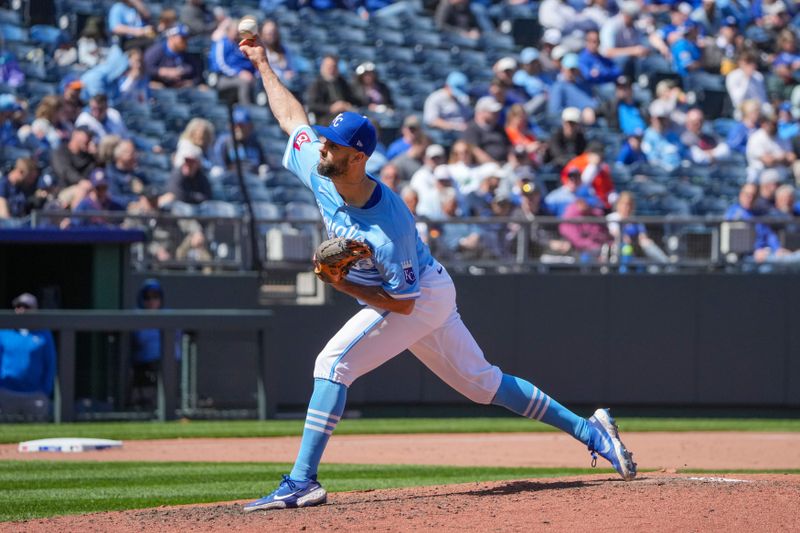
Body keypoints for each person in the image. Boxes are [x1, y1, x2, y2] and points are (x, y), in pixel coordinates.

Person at [238, 34, 636, 511]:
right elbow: (291, 118)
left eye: (333, 145)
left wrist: (341, 281)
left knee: (332, 364)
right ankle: (592, 431)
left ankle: (303, 480)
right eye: (325, 141)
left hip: (419, 295)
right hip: (427, 291)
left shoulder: (391, 226)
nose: (322, 148)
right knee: (484, 384)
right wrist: (262, 63)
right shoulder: (322, 167)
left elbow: (403, 305)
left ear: (358, 158)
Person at [0, 293, 56, 419]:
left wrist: (45, 391)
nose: (21, 309)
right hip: (5, 394)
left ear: (35, 310)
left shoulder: (44, 334)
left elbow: (50, 364)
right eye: (18, 306)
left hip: (35, 395)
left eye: (26, 306)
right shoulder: (3, 332)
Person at [209, 18, 257, 105]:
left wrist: (254, 74)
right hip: (223, 78)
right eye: (235, 31)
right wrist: (239, 73)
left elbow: (249, 63)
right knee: (243, 83)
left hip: (244, 76)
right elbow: (220, 65)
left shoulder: (239, 45)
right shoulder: (222, 43)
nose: (237, 34)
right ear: (229, 31)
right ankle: (247, 111)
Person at [305, 54, 359, 125]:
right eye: (328, 67)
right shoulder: (317, 84)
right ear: (323, 67)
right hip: (325, 119)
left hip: (344, 115)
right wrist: (331, 108)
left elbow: (353, 98)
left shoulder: (341, 82)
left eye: (334, 67)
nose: (332, 70)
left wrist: (347, 104)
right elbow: (311, 105)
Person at [143, 24, 202, 88]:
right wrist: (162, 71)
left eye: (187, 38)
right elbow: (144, 68)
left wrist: (191, 82)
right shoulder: (156, 51)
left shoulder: (186, 52)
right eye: (182, 38)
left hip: (183, 89)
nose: (185, 41)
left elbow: (196, 72)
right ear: (171, 37)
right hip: (161, 88)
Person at [212, 107, 267, 174]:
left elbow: (262, 163)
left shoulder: (255, 143)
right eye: (236, 125)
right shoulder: (223, 143)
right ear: (230, 126)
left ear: (250, 126)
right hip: (232, 180)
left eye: (242, 126)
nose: (239, 129)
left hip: (252, 180)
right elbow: (220, 166)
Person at [461, 96, 510, 163]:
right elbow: (475, 151)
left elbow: (509, 147)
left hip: (504, 165)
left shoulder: (499, 129)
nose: (497, 114)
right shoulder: (472, 129)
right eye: (492, 112)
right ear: (482, 112)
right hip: (484, 167)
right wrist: (494, 165)